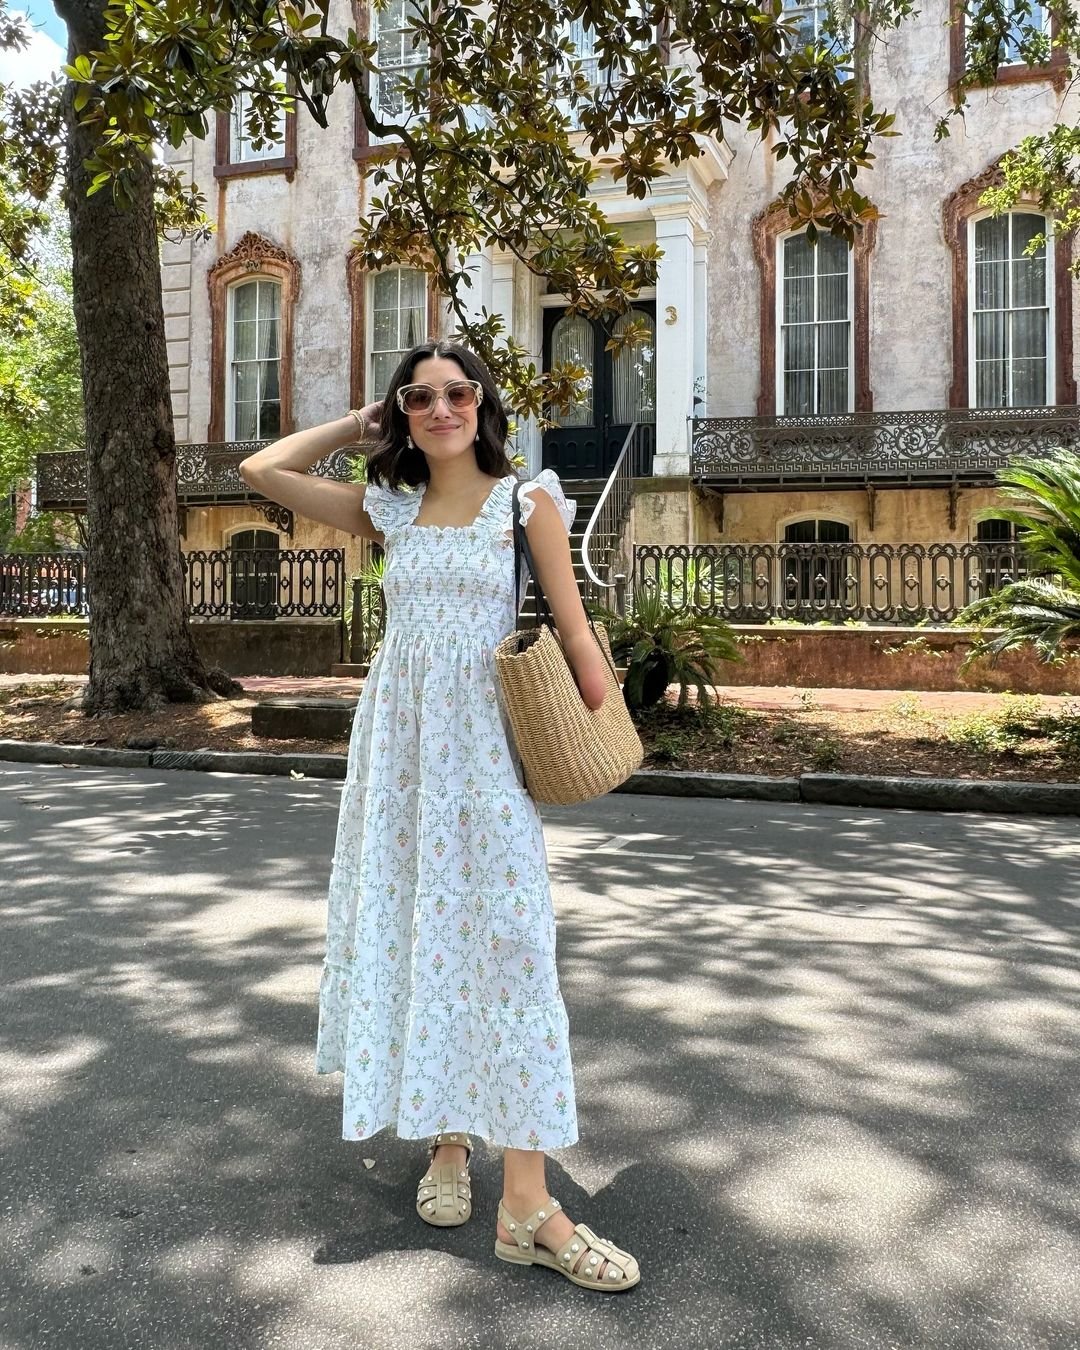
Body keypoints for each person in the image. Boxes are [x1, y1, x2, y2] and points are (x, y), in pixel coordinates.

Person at [239, 340, 640, 1292]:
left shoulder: (525, 499)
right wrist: (355, 426)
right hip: (398, 758)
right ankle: (447, 1137)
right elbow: (263, 470)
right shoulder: (387, 505)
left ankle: (529, 1204)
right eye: (419, 396)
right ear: (403, 412)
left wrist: (605, 719)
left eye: (456, 392)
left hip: (486, 755)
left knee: (506, 949)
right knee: (420, 929)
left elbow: (574, 622)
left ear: (482, 402)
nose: (440, 408)